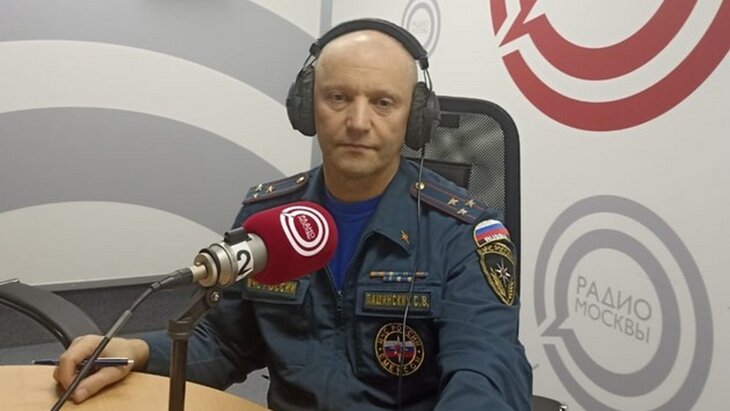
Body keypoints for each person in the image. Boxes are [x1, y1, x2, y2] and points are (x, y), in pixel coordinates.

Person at [54, 19, 532, 410]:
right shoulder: (268, 216)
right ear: (306, 107)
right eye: (338, 97)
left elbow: (486, 373)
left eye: (383, 102)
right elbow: (224, 344)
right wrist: (135, 351)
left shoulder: (464, 233)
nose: (358, 122)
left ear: (415, 118)